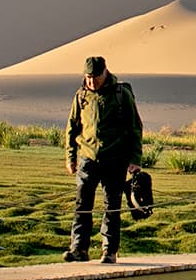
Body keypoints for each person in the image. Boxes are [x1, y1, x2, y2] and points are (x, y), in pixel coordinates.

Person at [63, 56, 143, 264]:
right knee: (82, 205)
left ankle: (109, 250)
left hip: (115, 159)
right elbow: (71, 128)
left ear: (105, 72)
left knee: (112, 206)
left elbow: (135, 128)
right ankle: (78, 249)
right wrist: (71, 158)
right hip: (87, 158)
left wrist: (135, 159)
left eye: (95, 77)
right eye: (88, 77)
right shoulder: (81, 96)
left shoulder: (121, 94)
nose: (91, 82)